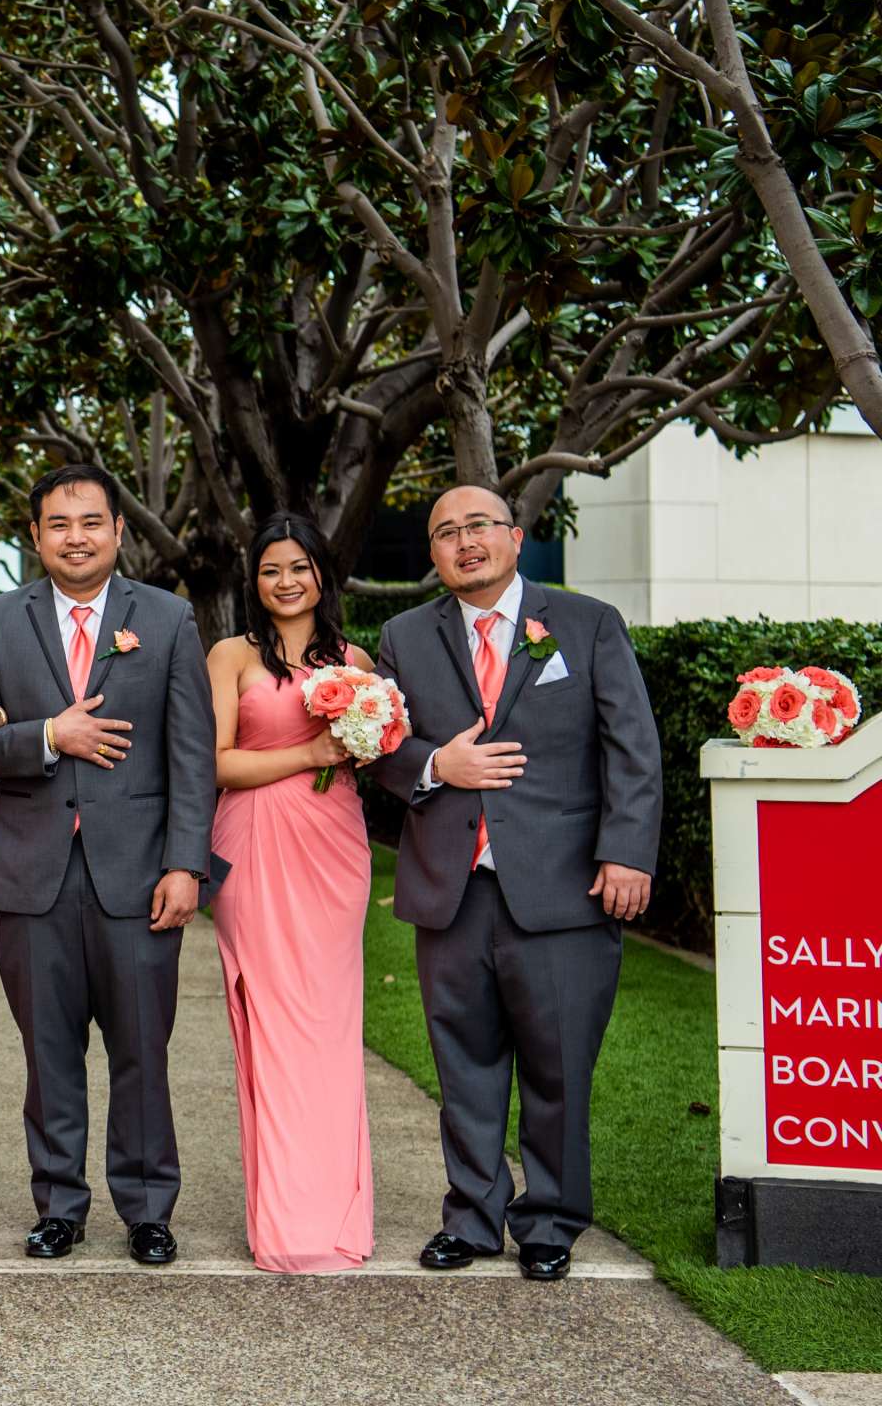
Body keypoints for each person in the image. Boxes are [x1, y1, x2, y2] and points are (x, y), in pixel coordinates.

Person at [373, 486, 659, 1282]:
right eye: (446, 533)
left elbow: (631, 746)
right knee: (462, 1064)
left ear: (515, 536)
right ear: (432, 554)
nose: (465, 543)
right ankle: (470, 1217)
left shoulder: (587, 624)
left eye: (479, 527)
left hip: (564, 888)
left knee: (558, 1066)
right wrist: (437, 764)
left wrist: (627, 852)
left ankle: (551, 1218)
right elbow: (379, 747)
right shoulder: (404, 635)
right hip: (453, 888)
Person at [0, 463, 220, 1266]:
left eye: (90, 521)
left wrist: (187, 864)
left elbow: (191, 754)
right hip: (32, 874)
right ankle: (59, 1203)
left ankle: (147, 1208)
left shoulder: (167, 620)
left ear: (117, 531)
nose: (75, 536)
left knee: (143, 1048)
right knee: (49, 1051)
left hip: (138, 876)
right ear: (35, 535)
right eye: (58, 524)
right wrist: (44, 737)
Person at [205, 514, 375, 1272]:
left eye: (299, 568)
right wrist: (307, 749)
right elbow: (218, 763)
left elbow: (367, 751)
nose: (286, 582)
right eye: (272, 570)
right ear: (256, 581)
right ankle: (285, 1218)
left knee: (331, 1027)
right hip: (255, 840)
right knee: (272, 1025)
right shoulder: (230, 656)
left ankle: (339, 1213)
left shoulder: (355, 657)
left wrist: (368, 738)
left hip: (334, 845)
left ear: (320, 575)